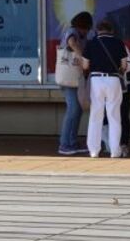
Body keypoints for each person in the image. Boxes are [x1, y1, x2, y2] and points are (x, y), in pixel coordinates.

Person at [82, 20, 129, 158]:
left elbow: (85, 66)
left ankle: (94, 150)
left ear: (97, 30)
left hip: (96, 79)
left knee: (95, 115)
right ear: (111, 30)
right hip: (114, 79)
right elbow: (124, 65)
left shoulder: (91, 43)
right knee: (114, 116)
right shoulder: (119, 43)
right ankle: (115, 150)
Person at [54, 12, 90, 155]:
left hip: (75, 79)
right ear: (82, 25)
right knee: (73, 109)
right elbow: (71, 43)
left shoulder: (80, 34)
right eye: (87, 28)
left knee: (77, 110)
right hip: (69, 80)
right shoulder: (72, 31)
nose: (87, 31)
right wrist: (82, 56)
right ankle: (65, 144)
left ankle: (72, 142)